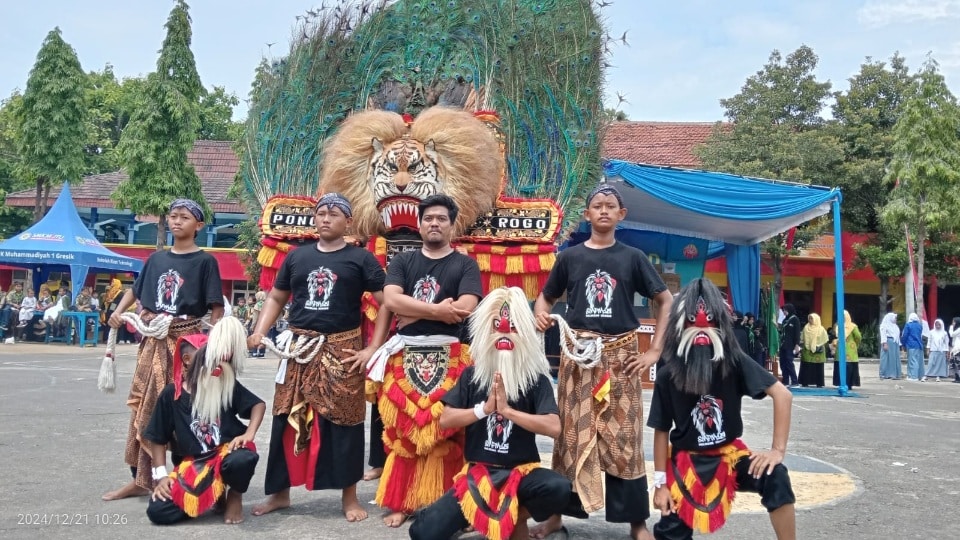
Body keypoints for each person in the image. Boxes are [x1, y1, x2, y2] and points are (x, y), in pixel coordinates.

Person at [532, 184, 674, 540]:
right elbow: (545, 298)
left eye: (611, 206)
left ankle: (637, 524)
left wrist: (655, 350)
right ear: (587, 214)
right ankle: (555, 519)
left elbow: (666, 300)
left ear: (621, 214)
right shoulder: (569, 258)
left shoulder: (633, 258)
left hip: (622, 360)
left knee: (623, 439)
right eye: (597, 205)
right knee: (571, 437)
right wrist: (540, 314)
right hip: (578, 360)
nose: (604, 211)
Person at [247, 193, 391, 522]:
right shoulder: (297, 258)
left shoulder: (360, 259)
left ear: (348, 222)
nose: (326, 218)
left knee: (346, 421)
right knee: (285, 417)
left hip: (343, 351)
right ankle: (279, 494)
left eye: (334, 214)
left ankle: (349, 497)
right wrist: (259, 330)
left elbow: (387, 302)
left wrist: (373, 347)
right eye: (321, 213)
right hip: (298, 349)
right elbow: (277, 297)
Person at [409, 287, 574, 540]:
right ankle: (478, 515)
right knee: (421, 532)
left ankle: (511, 515)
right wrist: (483, 409)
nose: (504, 331)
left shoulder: (536, 380)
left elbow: (553, 427)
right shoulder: (472, 376)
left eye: (512, 325)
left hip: (521, 475)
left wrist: (507, 411)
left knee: (559, 488)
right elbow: (445, 420)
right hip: (478, 477)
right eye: (496, 325)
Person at [648, 278, 795, 540]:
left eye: (711, 318)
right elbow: (661, 429)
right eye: (692, 319)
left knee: (776, 476)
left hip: (730, 457)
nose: (702, 326)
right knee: (671, 532)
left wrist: (777, 451)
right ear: (680, 325)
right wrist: (660, 484)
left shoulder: (734, 361)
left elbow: (782, 395)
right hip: (686, 461)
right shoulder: (667, 373)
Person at [368, 193, 483, 527]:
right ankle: (401, 501)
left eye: (441, 219)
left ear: (451, 224)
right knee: (402, 430)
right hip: (405, 353)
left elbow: (467, 306)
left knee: (448, 431)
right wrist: (437, 311)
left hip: (451, 355)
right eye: (429, 218)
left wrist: (413, 310)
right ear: (419, 224)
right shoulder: (403, 261)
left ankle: (448, 505)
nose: (435, 223)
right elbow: (391, 299)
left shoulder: (465, 264)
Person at [102, 198, 224, 501]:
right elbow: (135, 289)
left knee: (187, 409)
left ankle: (189, 477)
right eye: (172, 216)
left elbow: (216, 308)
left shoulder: (205, 261)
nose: (176, 221)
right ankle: (141, 479)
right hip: (153, 343)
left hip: (188, 345)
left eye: (184, 217)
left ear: (198, 225)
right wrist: (118, 312)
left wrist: (211, 347)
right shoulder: (156, 259)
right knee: (145, 408)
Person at [144, 317, 266, 525]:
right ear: (187, 360)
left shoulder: (224, 384)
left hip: (227, 452)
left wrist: (249, 433)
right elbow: (157, 438)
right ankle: (210, 494)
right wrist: (161, 476)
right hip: (195, 464)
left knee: (242, 460)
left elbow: (258, 405)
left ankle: (234, 495)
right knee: (158, 511)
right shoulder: (171, 394)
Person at [832, 310, 862, 388]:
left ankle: (840, 383)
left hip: (840, 348)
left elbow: (835, 335)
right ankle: (849, 384)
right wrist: (854, 343)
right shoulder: (853, 326)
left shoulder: (837, 325)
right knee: (849, 366)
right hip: (850, 349)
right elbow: (858, 337)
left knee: (840, 365)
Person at [798, 313, 827, 388]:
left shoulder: (821, 329)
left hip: (818, 352)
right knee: (807, 367)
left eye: (812, 318)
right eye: (809, 318)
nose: (810, 320)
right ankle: (805, 382)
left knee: (818, 367)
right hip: (807, 351)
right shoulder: (806, 327)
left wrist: (816, 344)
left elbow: (824, 339)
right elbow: (802, 338)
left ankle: (819, 383)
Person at [777, 304, 801, 387]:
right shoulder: (785, 320)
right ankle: (786, 381)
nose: (784, 312)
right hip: (783, 345)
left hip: (790, 345)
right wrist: (777, 328)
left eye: (785, 310)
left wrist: (797, 344)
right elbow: (783, 333)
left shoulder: (795, 319)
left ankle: (795, 381)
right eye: (783, 310)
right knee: (782, 363)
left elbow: (797, 333)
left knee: (789, 363)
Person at [902, 313, 925, 381]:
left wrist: (903, 343)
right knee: (919, 361)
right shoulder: (919, 326)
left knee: (912, 361)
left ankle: (913, 376)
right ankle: (920, 375)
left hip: (911, 345)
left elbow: (905, 335)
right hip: (919, 345)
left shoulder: (908, 325)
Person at [879, 312, 902, 380]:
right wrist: (884, 343)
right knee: (886, 358)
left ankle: (894, 374)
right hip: (888, 342)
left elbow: (897, 336)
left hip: (895, 344)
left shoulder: (895, 326)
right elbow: (883, 334)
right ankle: (884, 374)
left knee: (894, 358)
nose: (895, 319)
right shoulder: (884, 325)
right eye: (895, 318)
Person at [949, 317, 960, 383]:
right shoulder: (956, 329)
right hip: (954, 349)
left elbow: (952, 335)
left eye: (954, 322)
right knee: (954, 364)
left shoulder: (959, 329)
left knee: (958, 364)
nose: (952, 323)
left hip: (958, 349)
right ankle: (957, 378)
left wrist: (950, 328)